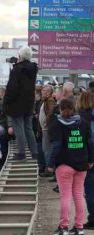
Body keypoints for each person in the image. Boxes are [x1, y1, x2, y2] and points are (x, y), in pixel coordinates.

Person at [47, 99, 94, 235]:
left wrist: (50, 164)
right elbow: (90, 143)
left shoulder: (57, 124)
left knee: (65, 196)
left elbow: (56, 146)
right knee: (79, 195)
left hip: (64, 165)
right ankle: (79, 227)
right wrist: (91, 159)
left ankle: (63, 227)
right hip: (82, 165)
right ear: (74, 107)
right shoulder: (83, 123)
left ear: (60, 109)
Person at [3, 46, 38, 160]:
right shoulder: (33, 69)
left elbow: (12, 88)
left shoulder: (17, 70)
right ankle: (34, 152)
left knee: (19, 128)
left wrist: (7, 100)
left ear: (20, 56)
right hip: (29, 102)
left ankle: (21, 153)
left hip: (17, 103)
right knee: (28, 127)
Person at [75, 92, 94, 230]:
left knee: (90, 189)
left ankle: (93, 219)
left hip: (89, 158)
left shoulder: (81, 118)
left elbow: (87, 140)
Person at [39, 85, 56, 177]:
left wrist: (46, 122)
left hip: (47, 129)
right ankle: (49, 168)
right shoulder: (45, 100)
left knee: (47, 149)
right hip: (44, 128)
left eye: (44, 90)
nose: (42, 92)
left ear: (48, 92)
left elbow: (51, 112)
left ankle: (49, 169)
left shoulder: (50, 100)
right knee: (46, 149)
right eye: (42, 90)